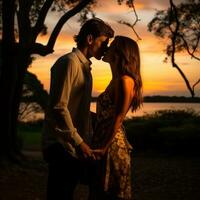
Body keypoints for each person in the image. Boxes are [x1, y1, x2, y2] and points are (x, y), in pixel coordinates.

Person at [42, 18, 114, 200]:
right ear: (90, 39)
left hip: (72, 147)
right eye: (103, 42)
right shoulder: (70, 63)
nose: (106, 47)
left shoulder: (85, 68)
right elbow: (59, 107)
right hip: (62, 146)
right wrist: (80, 142)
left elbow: (75, 108)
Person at [89, 36, 143, 200]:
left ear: (120, 53)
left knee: (109, 195)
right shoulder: (115, 80)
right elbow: (106, 116)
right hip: (103, 141)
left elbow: (118, 118)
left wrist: (104, 147)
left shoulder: (125, 81)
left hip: (111, 146)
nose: (106, 48)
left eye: (111, 46)